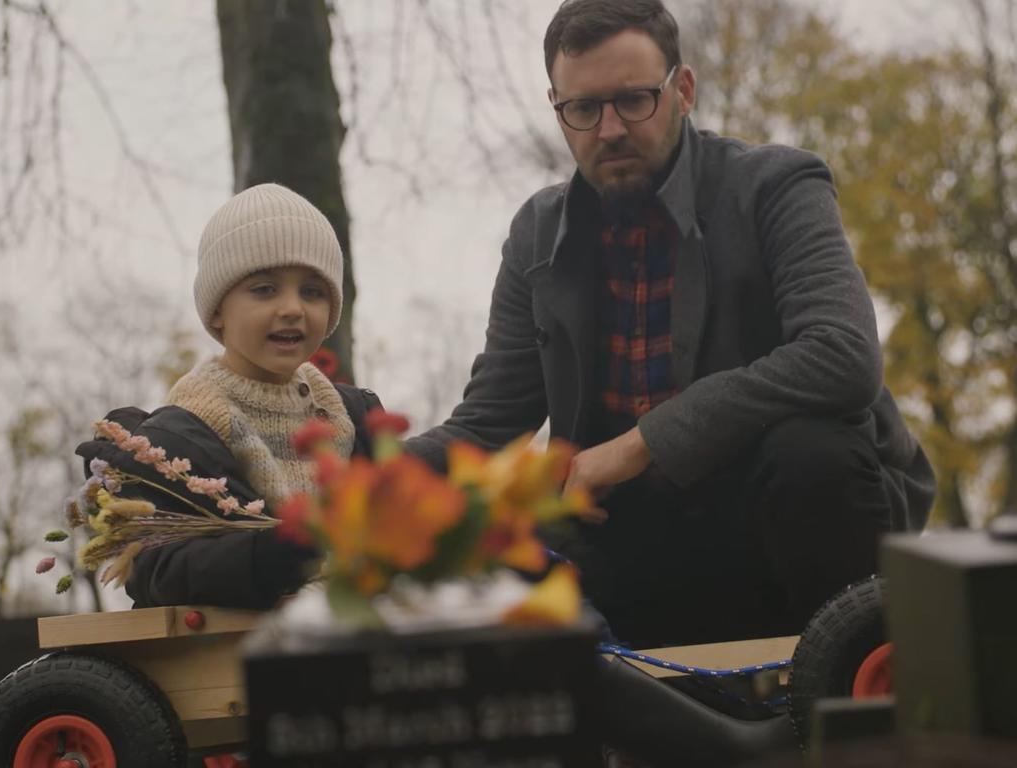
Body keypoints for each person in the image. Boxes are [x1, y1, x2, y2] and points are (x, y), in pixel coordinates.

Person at [407, 0, 936, 649]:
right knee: (495, 530)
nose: (607, 130)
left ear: (681, 90)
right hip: (629, 540)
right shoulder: (536, 235)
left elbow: (842, 355)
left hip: (786, 522)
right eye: (582, 109)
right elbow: (486, 424)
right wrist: (358, 477)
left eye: (633, 100)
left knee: (810, 452)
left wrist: (639, 443)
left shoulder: (774, 184)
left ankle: (858, 694)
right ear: (556, 107)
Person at [76, 183, 380, 610]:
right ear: (218, 309)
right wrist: (273, 553)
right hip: (236, 660)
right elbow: (157, 571)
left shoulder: (355, 418)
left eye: (312, 291)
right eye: (264, 289)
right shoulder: (176, 439)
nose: (292, 307)